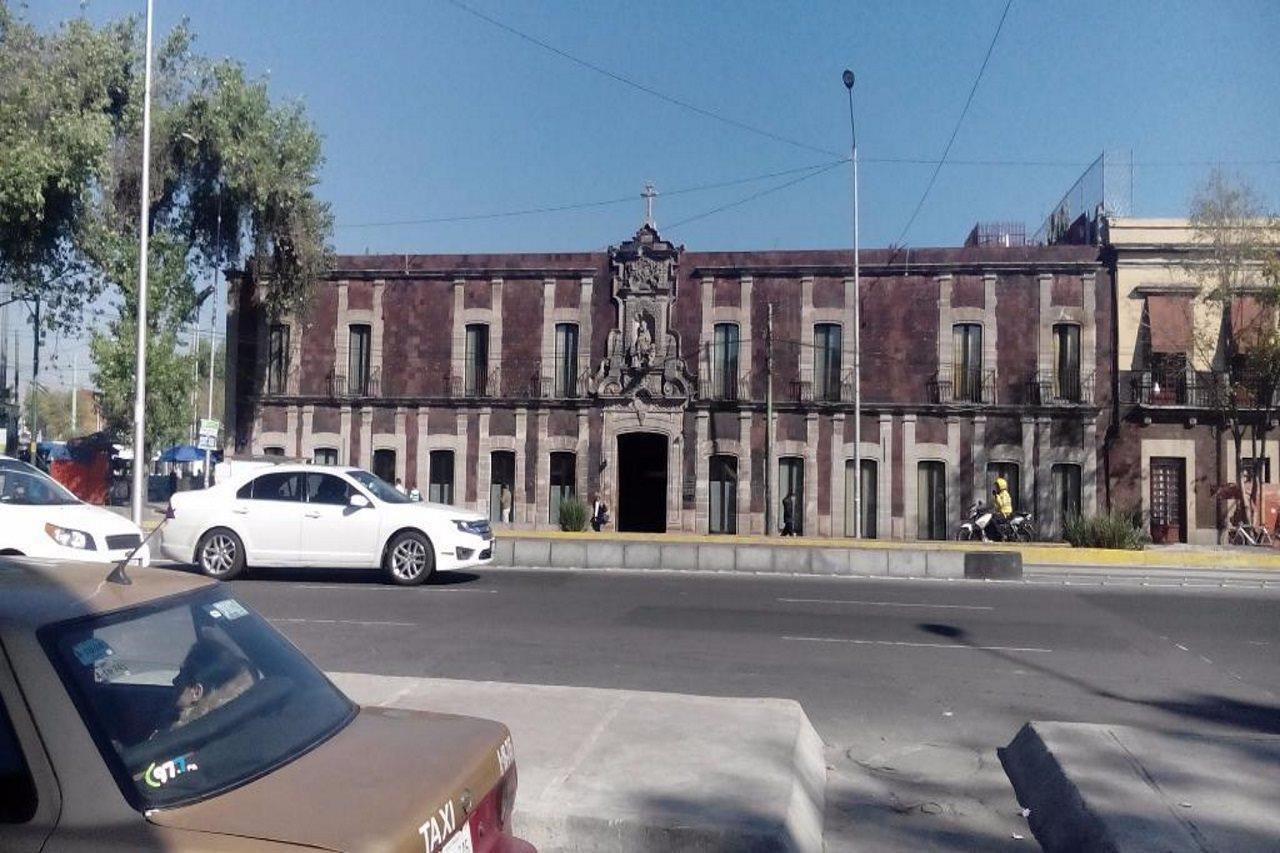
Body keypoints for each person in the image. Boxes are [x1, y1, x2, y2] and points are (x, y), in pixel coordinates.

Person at [168, 639, 257, 730]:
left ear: (197, 692)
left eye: (182, 674)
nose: (175, 680)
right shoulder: (228, 729)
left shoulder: (177, 736)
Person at [976, 476, 1014, 542]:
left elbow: (1001, 504)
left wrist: (996, 496)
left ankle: (1001, 535)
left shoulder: (1004, 494)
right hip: (1002, 512)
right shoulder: (1001, 494)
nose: (996, 488)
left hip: (1005, 514)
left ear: (1001, 486)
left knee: (993, 519)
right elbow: (995, 505)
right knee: (990, 518)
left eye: (997, 486)